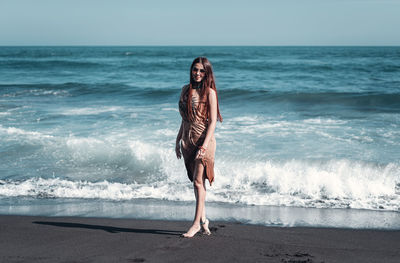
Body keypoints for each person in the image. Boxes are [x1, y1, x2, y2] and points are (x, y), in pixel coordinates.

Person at [175, 57, 223, 238]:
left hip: (205, 141)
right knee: (197, 184)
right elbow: (184, 118)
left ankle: (195, 224)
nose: (198, 73)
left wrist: (203, 147)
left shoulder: (210, 93)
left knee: (197, 181)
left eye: (202, 71)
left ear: (207, 73)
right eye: (195, 70)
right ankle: (204, 220)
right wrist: (178, 139)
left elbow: (212, 123)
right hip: (188, 141)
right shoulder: (185, 90)